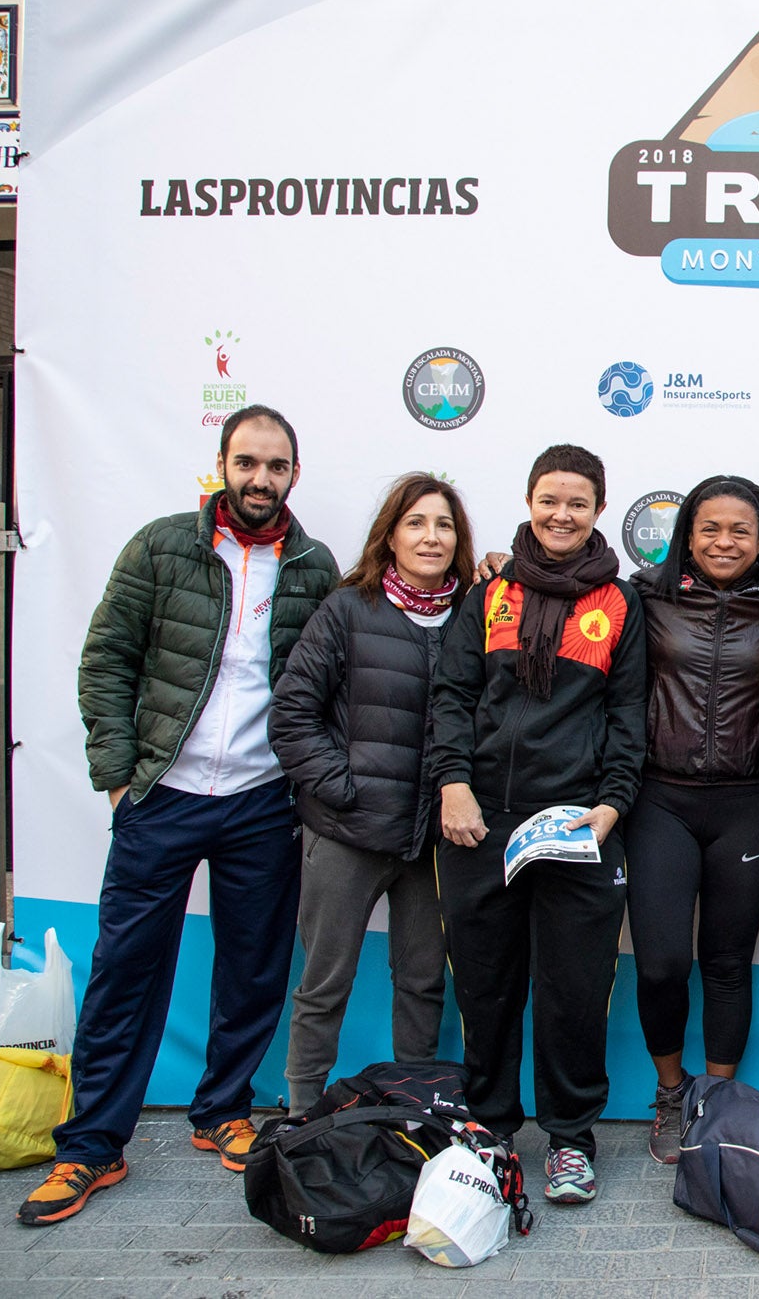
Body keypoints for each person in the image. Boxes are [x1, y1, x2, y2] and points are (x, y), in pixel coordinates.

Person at [21, 406, 339, 1226]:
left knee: (253, 963)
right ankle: (90, 1146)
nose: (260, 478)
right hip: (161, 796)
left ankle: (222, 1109)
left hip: (263, 802)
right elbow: (107, 659)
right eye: (246, 462)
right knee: (127, 968)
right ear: (221, 466)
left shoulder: (313, 564)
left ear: (293, 475)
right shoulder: (162, 546)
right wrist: (120, 778)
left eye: (275, 465)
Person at [428, 443, 646, 1206]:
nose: (562, 514)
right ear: (529, 501)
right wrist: (454, 786)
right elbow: (451, 696)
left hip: (578, 826)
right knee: (486, 987)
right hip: (477, 825)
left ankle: (569, 1139)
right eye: (550, 500)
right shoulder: (487, 594)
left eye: (578, 503)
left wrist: (611, 808)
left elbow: (628, 717)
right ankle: (487, 1129)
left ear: (598, 511)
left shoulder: (620, 602)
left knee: (574, 991)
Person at [269, 472, 475, 1111]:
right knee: (324, 984)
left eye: (443, 525)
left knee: (421, 983)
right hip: (348, 833)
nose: (430, 537)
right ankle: (301, 1112)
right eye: (416, 523)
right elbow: (291, 716)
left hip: (431, 841)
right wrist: (344, 789)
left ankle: (413, 1114)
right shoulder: (348, 608)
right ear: (390, 535)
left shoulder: (474, 613)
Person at [627, 476, 759, 1162]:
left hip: (750, 802)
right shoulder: (645, 595)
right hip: (659, 800)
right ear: (686, 534)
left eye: (740, 530)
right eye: (709, 528)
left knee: (727, 962)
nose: (724, 541)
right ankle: (672, 1092)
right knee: (663, 963)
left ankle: (717, 1101)